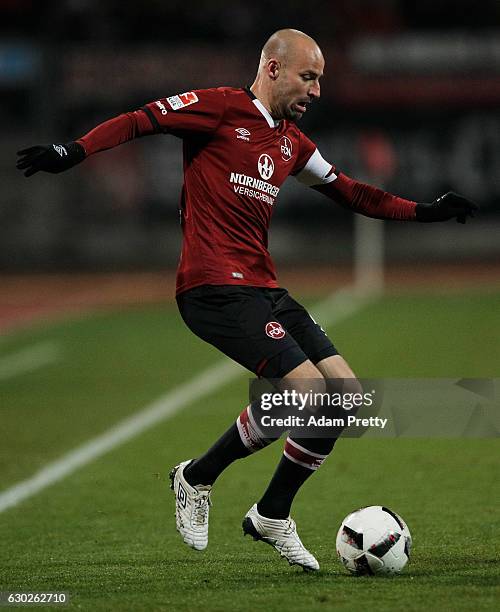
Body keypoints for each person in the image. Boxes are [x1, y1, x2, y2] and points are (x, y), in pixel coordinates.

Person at [17, 29, 477, 571]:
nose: (318, 91)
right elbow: (143, 118)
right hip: (212, 287)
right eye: (310, 77)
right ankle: (197, 478)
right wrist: (73, 150)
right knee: (306, 391)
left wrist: (425, 211)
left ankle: (270, 513)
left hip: (262, 288)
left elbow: (353, 192)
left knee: (346, 398)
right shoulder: (218, 108)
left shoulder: (290, 142)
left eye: (322, 80)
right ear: (274, 69)